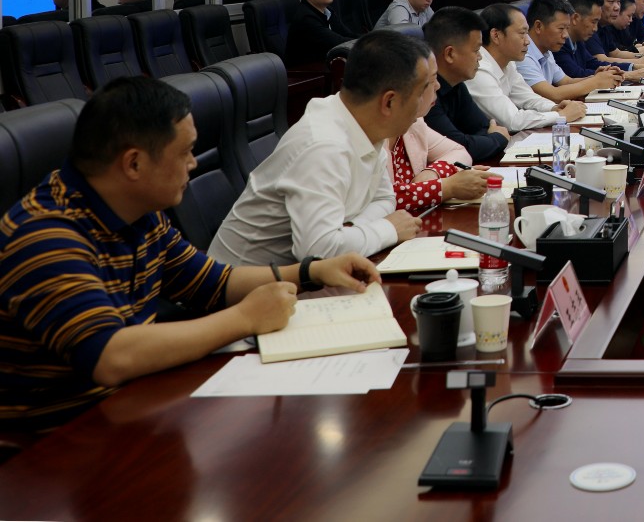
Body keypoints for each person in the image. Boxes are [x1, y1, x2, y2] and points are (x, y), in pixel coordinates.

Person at [0, 77, 379, 431]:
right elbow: (109, 357)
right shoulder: (45, 236)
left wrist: (312, 271)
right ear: (134, 163)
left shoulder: (138, 212)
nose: (194, 163)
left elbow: (215, 282)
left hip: (131, 404)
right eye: (184, 152)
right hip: (54, 439)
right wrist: (246, 318)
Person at [209, 32, 428, 265]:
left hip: (301, 276)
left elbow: (385, 199)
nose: (424, 102)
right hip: (243, 282)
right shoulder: (323, 145)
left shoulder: (362, 124)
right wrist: (387, 229)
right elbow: (319, 250)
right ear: (389, 102)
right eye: (421, 92)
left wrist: (350, 231)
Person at [468, 3, 586, 133]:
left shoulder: (508, 63)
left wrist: (554, 108)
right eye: (522, 33)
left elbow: (528, 98)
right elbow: (512, 121)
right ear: (496, 35)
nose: (527, 41)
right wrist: (560, 116)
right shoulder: (479, 70)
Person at [392, 67, 487, 216]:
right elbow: (383, 199)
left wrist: (433, 172)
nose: (438, 86)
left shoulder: (414, 124)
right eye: (430, 80)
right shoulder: (370, 135)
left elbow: (459, 151)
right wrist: (448, 186)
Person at [422, 6, 509, 164]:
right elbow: (460, 147)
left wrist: (482, 139)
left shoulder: (456, 84)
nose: (480, 57)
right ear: (450, 54)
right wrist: (498, 138)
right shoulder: (426, 93)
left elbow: (484, 128)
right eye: (476, 50)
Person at [515, 0, 622, 102]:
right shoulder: (522, 56)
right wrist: (596, 82)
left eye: (567, 28)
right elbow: (553, 94)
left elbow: (566, 81)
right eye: (561, 28)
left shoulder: (546, 51)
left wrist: (598, 76)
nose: (566, 35)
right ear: (538, 26)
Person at [285, 0, 357, 67]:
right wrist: (368, 44)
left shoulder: (328, 10)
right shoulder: (306, 19)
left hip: (325, 63)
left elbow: (347, 34)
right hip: (307, 71)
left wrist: (373, 39)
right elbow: (338, 42)